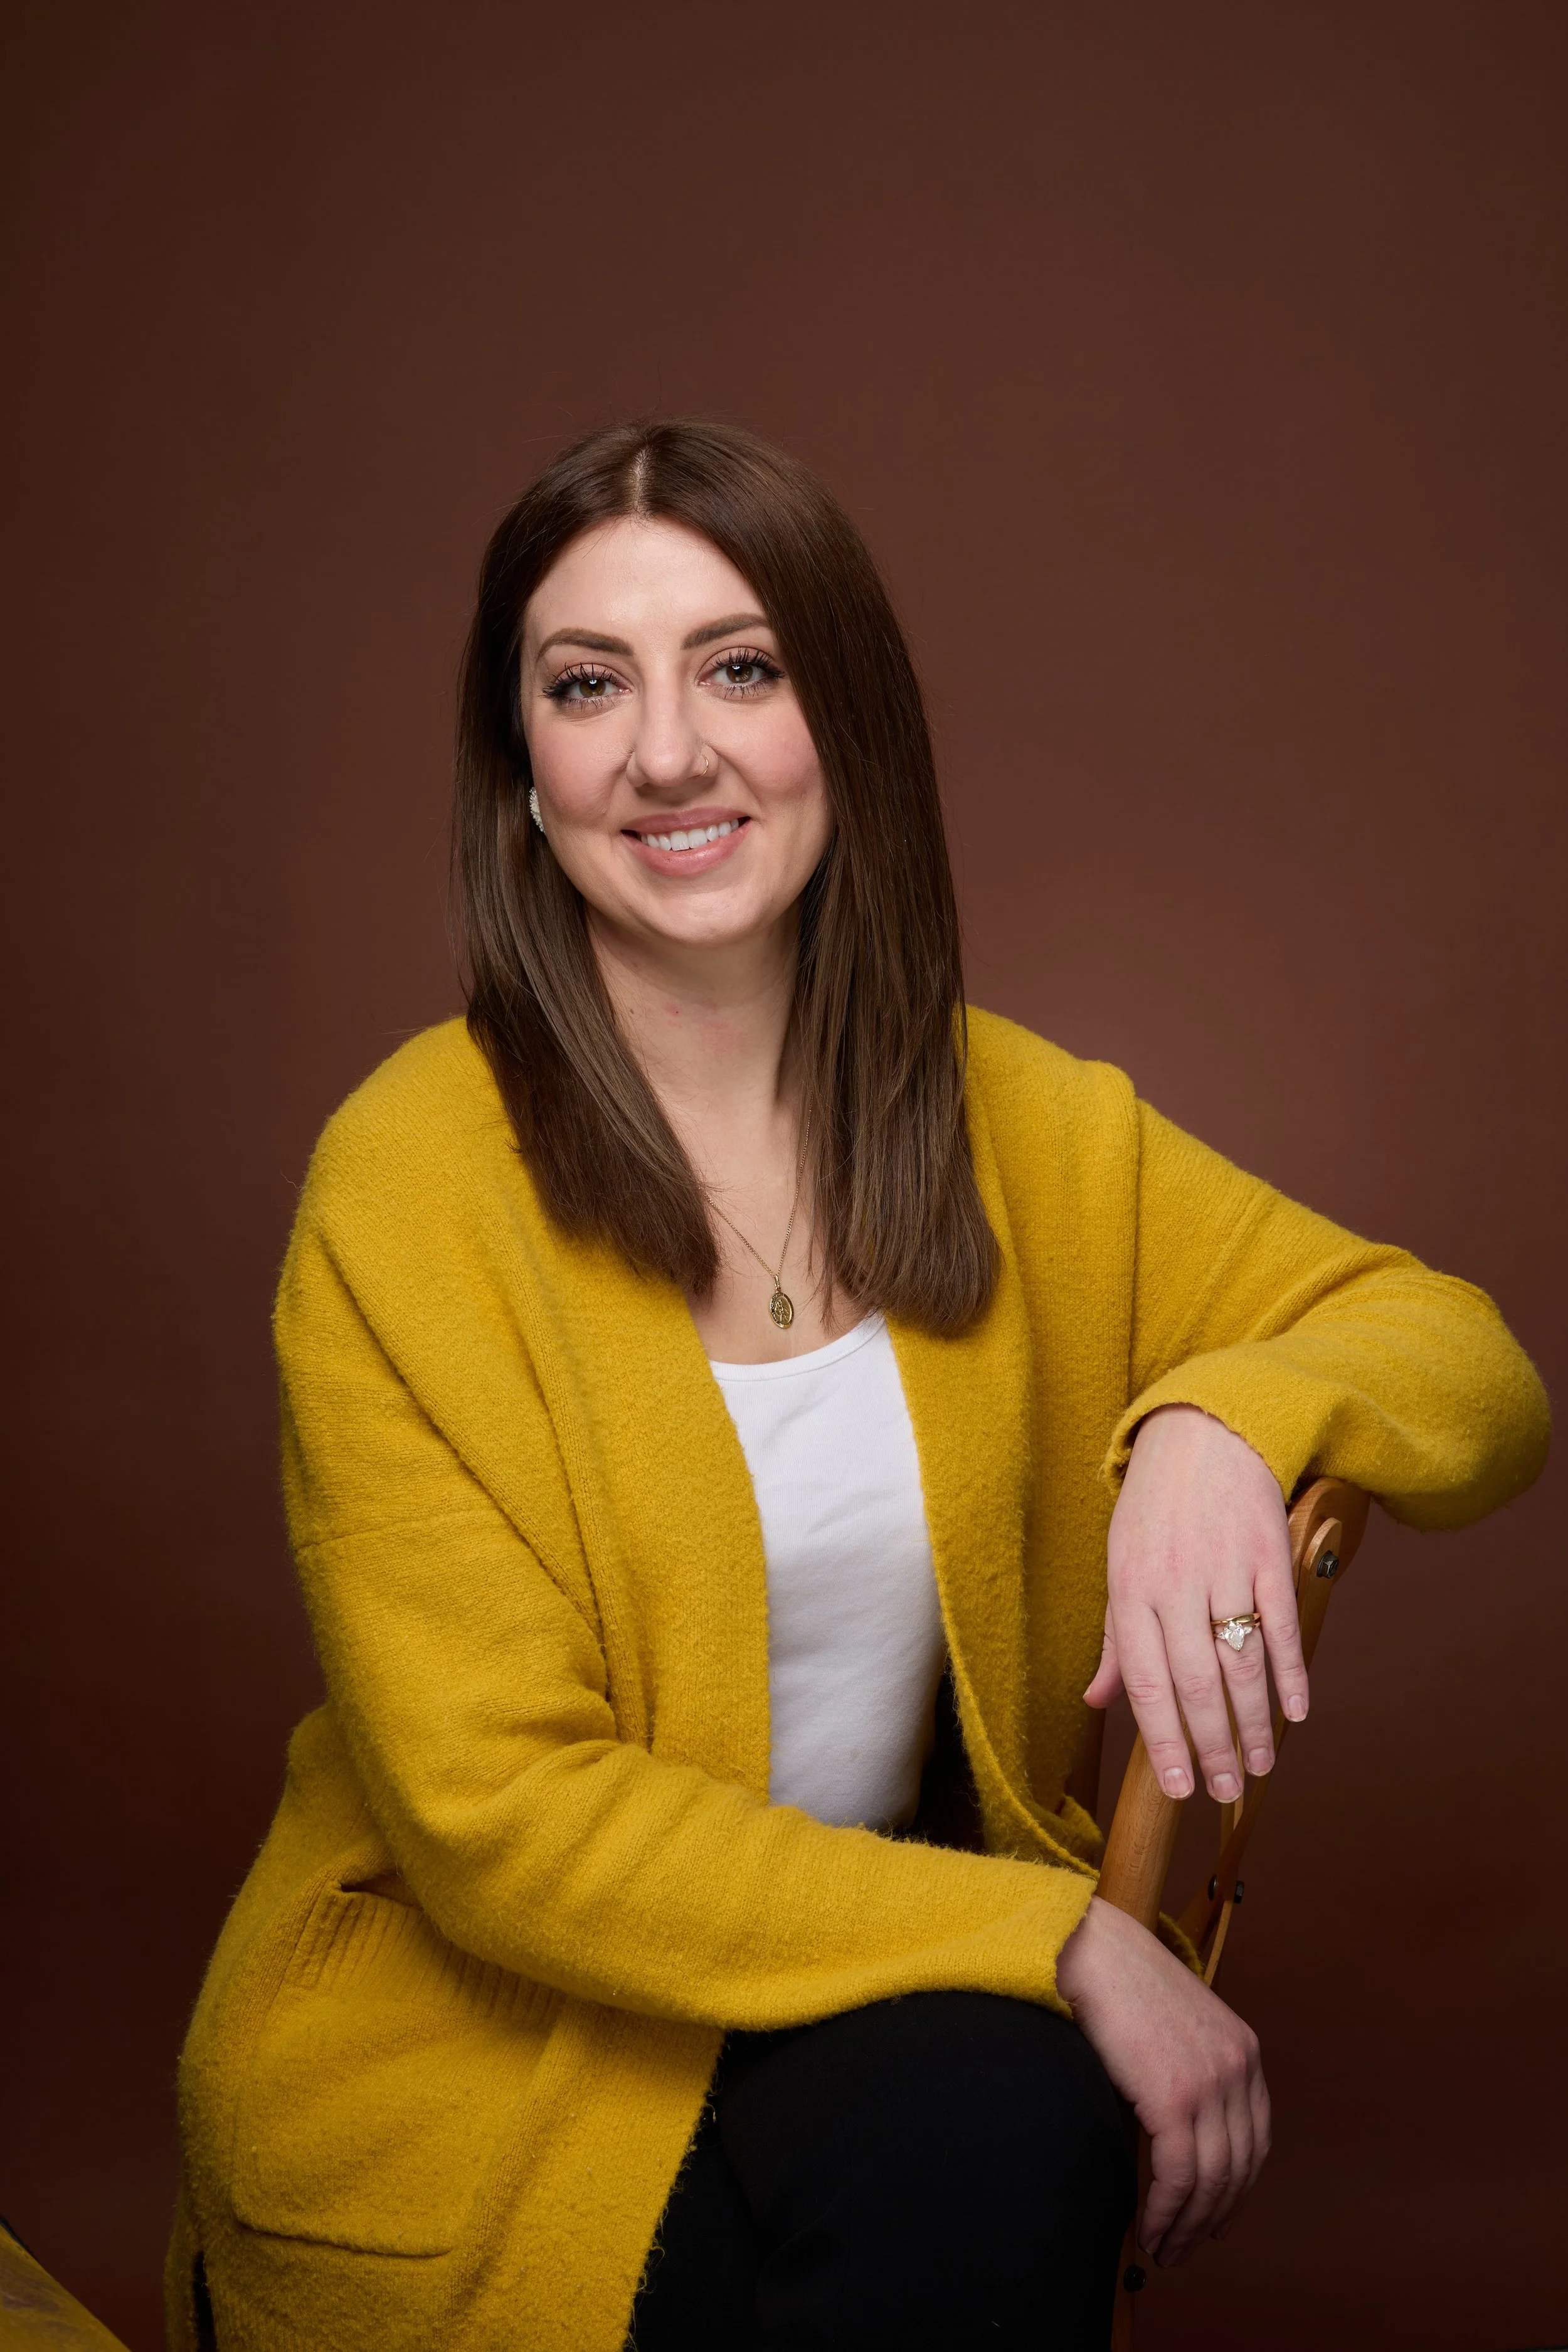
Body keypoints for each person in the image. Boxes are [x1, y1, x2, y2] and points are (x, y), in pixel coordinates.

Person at [167, 419, 1548, 2352]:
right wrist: (1060, 1933)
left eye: (740, 667)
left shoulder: (1016, 1124)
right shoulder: (408, 1182)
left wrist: (1220, 1421)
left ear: (850, 721)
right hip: (481, 2074)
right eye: (587, 685)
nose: (667, 752)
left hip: (852, 2008)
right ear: (522, 771)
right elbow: (503, 1821)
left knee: (1011, 2129)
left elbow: (1470, 1367)